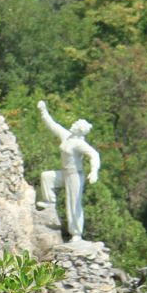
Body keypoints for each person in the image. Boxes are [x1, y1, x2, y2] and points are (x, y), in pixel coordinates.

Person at [38, 100, 100, 240]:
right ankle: (49, 202)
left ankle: (76, 233)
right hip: (65, 172)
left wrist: (94, 171)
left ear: (80, 130)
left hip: (74, 176)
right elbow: (53, 125)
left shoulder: (79, 143)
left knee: (73, 203)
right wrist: (43, 111)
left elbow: (94, 154)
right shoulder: (67, 136)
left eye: (76, 124)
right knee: (47, 177)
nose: (73, 124)